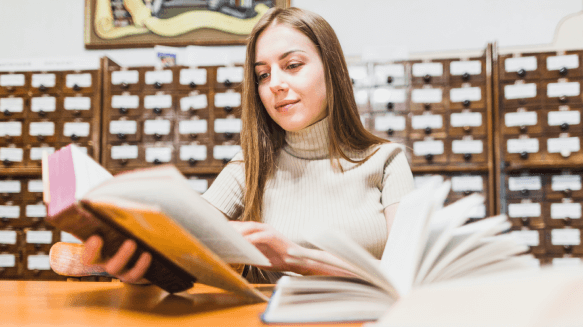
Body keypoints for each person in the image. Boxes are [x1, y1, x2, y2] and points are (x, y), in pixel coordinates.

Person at [80, 6, 415, 284]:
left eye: (292, 66)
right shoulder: (251, 165)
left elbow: (408, 278)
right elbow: (181, 246)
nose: (276, 84)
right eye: (263, 75)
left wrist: (297, 258)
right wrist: (142, 266)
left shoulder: (386, 161)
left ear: (332, 69)